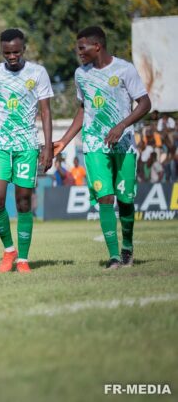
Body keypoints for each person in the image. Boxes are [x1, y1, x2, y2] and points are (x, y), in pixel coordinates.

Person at [54, 26, 151, 268]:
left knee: (125, 199)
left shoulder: (124, 69)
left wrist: (122, 125)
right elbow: (83, 109)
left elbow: (145, 103)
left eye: (82, 47)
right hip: (95, 144)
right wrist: (64, 141)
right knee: (105, 198)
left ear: (97, 46)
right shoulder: (80, 74)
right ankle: (115, 257)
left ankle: (127, 247)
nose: (79, 53)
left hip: (124, 144)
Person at [0, 28, 53, 274]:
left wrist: (48, 147)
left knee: (22, 202)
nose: (12, 56)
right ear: (2, 51)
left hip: (26, 146)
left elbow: (46, 112)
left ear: (24, 49)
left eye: (16, 52)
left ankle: (23, 259)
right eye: (7, 52)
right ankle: (9, 250)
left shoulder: (38, 73)